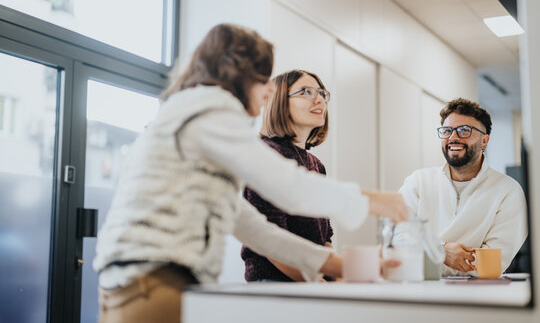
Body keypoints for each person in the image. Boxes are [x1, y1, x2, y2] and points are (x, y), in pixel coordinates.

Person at [93, 23, 408, 323]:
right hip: (153, 283)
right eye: (264, 78)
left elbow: (256, 230)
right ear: (239, 74)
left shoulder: (194, 119)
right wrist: (373, 201)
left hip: (135, 285)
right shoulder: (209, 109)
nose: (270, 88)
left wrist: (342, 265)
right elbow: (289, 187)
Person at [399, 98, 528, 276]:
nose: (453, 138)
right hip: (416, 292)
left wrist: (423, 253)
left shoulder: (509, 192)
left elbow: (491, 265)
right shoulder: (418, 182)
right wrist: (442, 251)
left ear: (484, 141)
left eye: (464, 131)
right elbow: (397, 243)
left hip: (475, 296)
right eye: (447, 131)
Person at [241, 69, 336, 282]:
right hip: (276, 287)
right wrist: (321, 285)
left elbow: (325, 238)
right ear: (279, 102)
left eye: (321, 93)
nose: (319, 99)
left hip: (313, 285)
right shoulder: (265, 155)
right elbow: (272, 242)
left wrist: (336, 279)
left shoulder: (316, 166)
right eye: (306, 92)